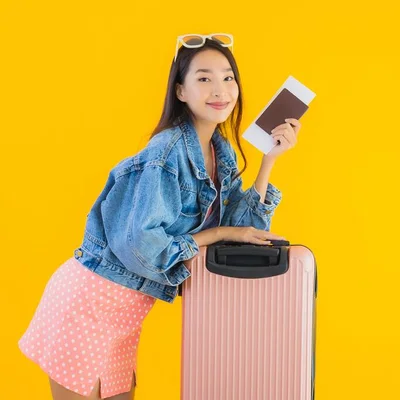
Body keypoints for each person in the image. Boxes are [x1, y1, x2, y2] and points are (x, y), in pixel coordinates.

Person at [18, 33, 302, 400]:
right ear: (180, 91)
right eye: (204, 78)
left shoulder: (221, 151)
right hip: (87, 302)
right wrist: (215, 235)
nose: (220, 89)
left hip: (124, 315)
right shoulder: (165, 154)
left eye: (228, 77)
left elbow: (239, 228)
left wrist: (269, 161)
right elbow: (143, 246)